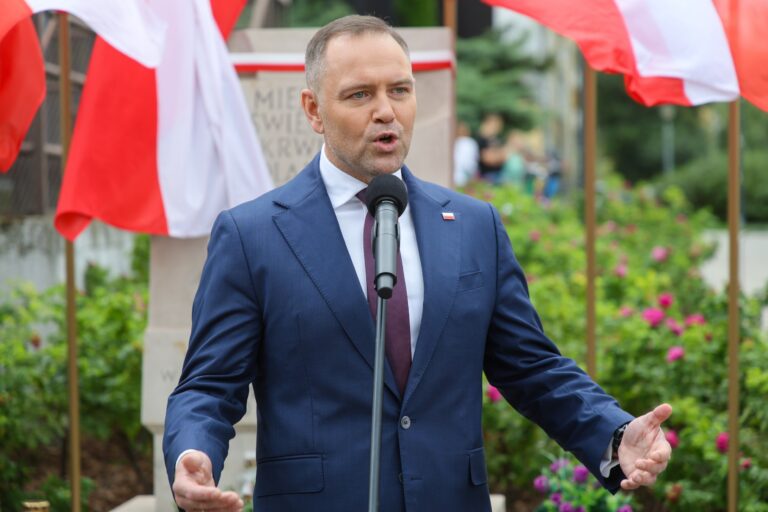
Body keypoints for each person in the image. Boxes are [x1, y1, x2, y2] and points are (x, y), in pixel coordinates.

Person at [163, 15, 672, 512]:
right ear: (313, 110)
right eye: (360, 95)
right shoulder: (252, 236)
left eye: (400, 90)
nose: (386, 111)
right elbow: (209, 385)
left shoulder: (474, 226)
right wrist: (192, 454)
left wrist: (614, 433)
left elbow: (532, 368)